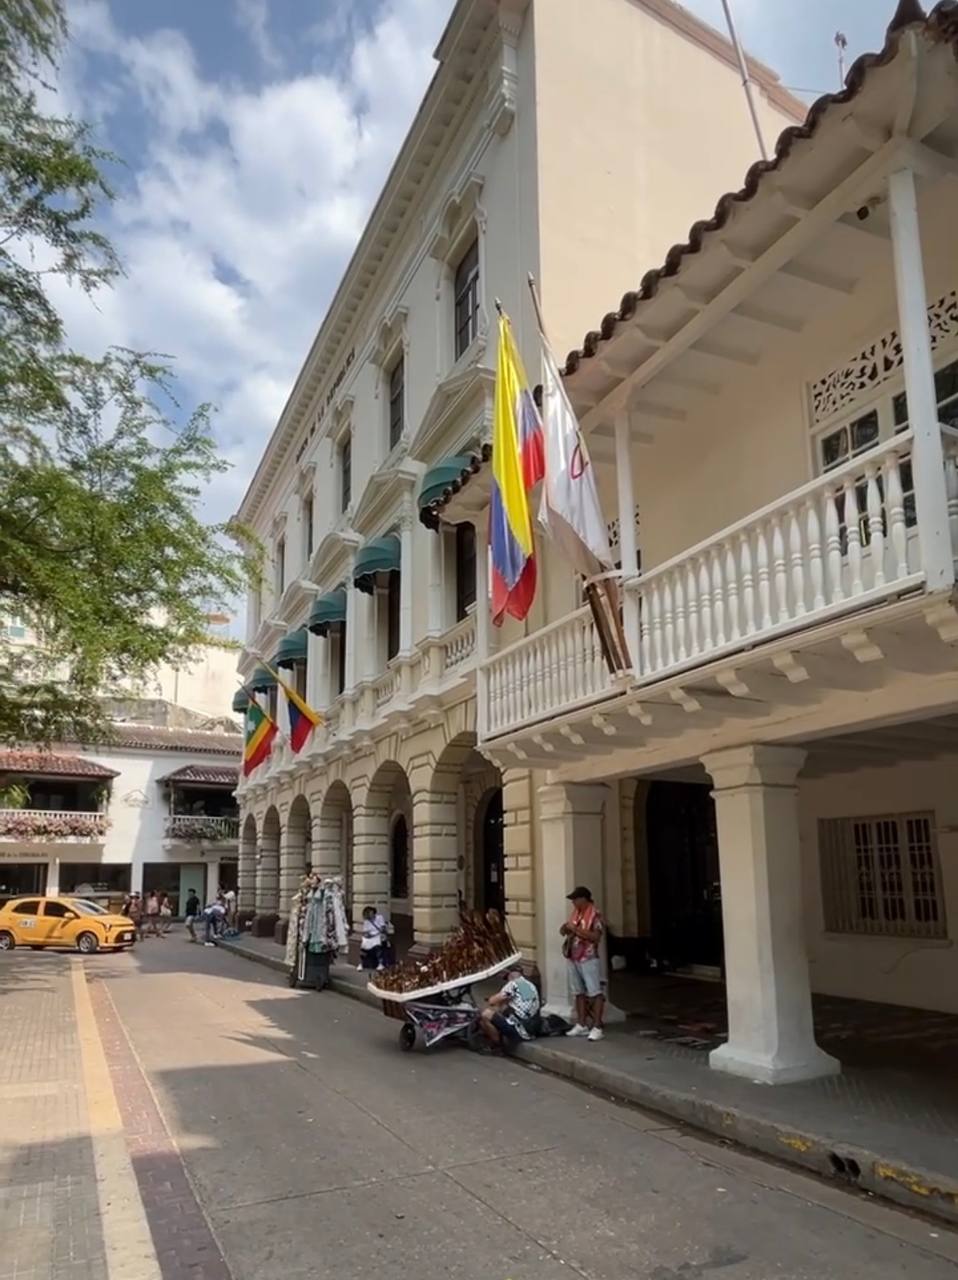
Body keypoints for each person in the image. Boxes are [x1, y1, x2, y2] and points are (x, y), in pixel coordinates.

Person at [561, 885, 605, 1042]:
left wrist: (577, 930)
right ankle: (581, 1024)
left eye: (575, 899)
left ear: (584, 899)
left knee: (594, 992)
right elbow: (567, 930)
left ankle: (597, 1026)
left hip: (588, 957)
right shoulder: (576, 914)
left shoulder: (595, 915)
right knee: (578, 992)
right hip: (573, 956)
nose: (573, 902)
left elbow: (596, 937)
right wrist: (565, 929)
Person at [479, 965, 540, 1052]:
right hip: (529, 1031)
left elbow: (492, 1001)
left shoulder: (513, 984)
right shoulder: (528, 985)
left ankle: (497, 1047)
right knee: (505, 1007)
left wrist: (490, 999)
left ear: (509, 975)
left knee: (486, 1014)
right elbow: (524, 1005)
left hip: (518, 1030)